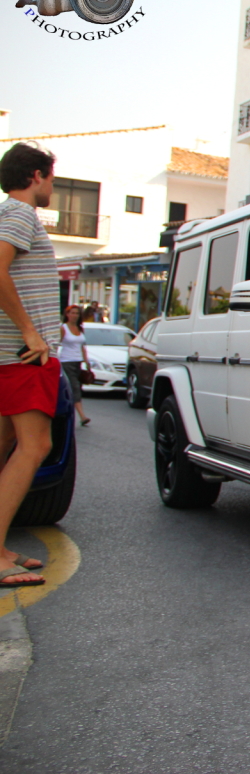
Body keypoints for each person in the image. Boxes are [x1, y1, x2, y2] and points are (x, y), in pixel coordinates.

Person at [0, 142, 63, 588]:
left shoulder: (7, 214)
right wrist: (29, 331)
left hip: (12, 356)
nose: (53, 187)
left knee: (7, 445)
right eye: (52, 178)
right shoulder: (21, 214)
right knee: (34, 447)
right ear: (37, 176)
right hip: (25, 357)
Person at [59, 304, 90, 426]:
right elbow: (57, 343)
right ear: (67, 314)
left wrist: (86, 361)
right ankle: (82, 416)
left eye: (77, 313)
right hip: (66, 361)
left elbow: (82, 346)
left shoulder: (80, 328)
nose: (75, 315)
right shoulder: (63, 328)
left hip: (78, 362)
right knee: (75, 388)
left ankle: (66, 412)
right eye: (72, 313)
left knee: (74, 389)